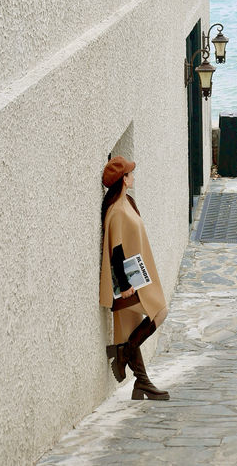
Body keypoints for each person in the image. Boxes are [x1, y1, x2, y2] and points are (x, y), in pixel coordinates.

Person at [99, 156, 169, 400]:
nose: (133, 176)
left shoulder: (127, 202)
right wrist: (126, 285)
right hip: (128, 284)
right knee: (160, 311)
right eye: (130, 173)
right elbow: (116, 250)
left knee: (132, 327)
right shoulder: (117, 211)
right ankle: (124, 353)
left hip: (137, 278)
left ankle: (141, 382)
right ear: (123, 180)